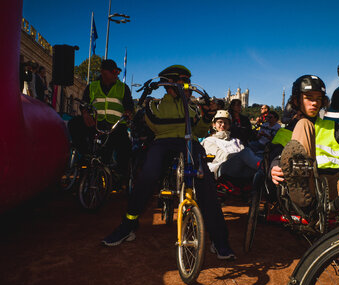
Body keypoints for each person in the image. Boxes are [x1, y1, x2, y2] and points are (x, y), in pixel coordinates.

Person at [102, 65, 236, 260]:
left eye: (189, 82)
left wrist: (207, 116)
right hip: (163, 143)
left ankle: (219, 240)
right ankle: (128, 225)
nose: (189, 86)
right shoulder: (154, 104)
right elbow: (154, 124)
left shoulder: (193, 107)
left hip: (188, 142)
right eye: (184, 81)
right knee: (148, 176)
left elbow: (199, 132)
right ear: (170, 84)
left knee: (206, 184)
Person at [270, 75, 339, 210]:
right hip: (309, 179)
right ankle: (302, 193)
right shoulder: (286, 132)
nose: (315, 103)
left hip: (337, 177)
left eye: (318, 98)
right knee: (303, 123)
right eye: (309, 98)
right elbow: (275, 156)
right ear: (296, 101)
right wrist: (274, 168)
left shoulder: (333, 127)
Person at [68, 59, 133, 178]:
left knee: (126, 147)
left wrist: (128, 112)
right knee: (74, 124)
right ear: (103, 72)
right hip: (96, 124)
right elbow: (84, 103)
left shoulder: (123, 88)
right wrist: (85, 114)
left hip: (116, 127)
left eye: (117, 72)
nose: (116, 74)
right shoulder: (92, 87)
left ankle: (120, 175)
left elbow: (129, 106)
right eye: (113, 71)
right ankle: (85, 154)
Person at [202, 110, 261, 179]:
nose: (223, 125)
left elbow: (247, 157)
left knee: (258, 160)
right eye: (220, 122)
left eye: (226, 123)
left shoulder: (236, 140)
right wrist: (239, 156)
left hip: (239, 167)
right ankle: (265, 166)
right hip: (220, 168)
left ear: (229, 125)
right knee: (246, 152)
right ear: (214, 124)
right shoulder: (209, 140)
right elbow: (220, 157)